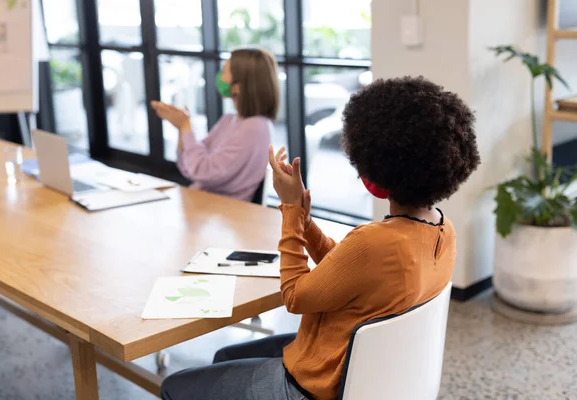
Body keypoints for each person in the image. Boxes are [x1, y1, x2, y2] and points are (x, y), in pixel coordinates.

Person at [160, 76, 481, 400]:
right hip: (359, 370)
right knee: (225, 357)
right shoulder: (443, 231)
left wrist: (288, 210)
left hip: (315, 385)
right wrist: (304, 217)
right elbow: (345, 267)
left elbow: (295, 297)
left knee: (174, 386)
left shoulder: (374, 242)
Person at [151, 48, 279, 202]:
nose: (219, 76)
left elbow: (202, 172)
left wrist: (185, 126)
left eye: (224, 71)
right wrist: (181, 127)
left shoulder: (255, 128)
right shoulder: (230, 119)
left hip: (223, 212)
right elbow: (190, 166)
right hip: (203, 204)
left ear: (238, 86)